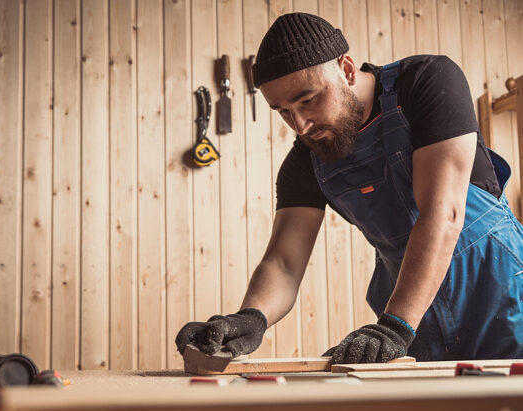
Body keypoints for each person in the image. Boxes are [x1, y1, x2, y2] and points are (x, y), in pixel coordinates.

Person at [176, 12, 523, 363]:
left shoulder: (427, 82)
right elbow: (283, 262)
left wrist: (396, 325)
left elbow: (443, 213)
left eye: (307, 99)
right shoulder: (306, 160)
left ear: (346, 68)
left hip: (501, 298)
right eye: (282, 111)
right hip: (416, 322)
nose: (299, 124)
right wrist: (251, 317)